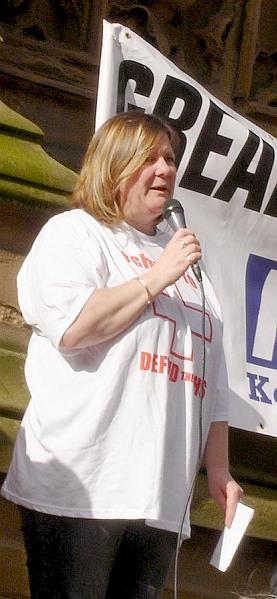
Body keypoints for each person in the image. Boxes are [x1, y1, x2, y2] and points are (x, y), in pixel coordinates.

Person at [1, 111, 243, 598]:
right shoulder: (77, 234)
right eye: (148, 158)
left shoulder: (187, 261)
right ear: (113, 165)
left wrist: (219, 469)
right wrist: (157, 277)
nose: (165, 170)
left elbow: (209, 377)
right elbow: (74, 327)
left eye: (170, 159)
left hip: (159, 495)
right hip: (84, 489)